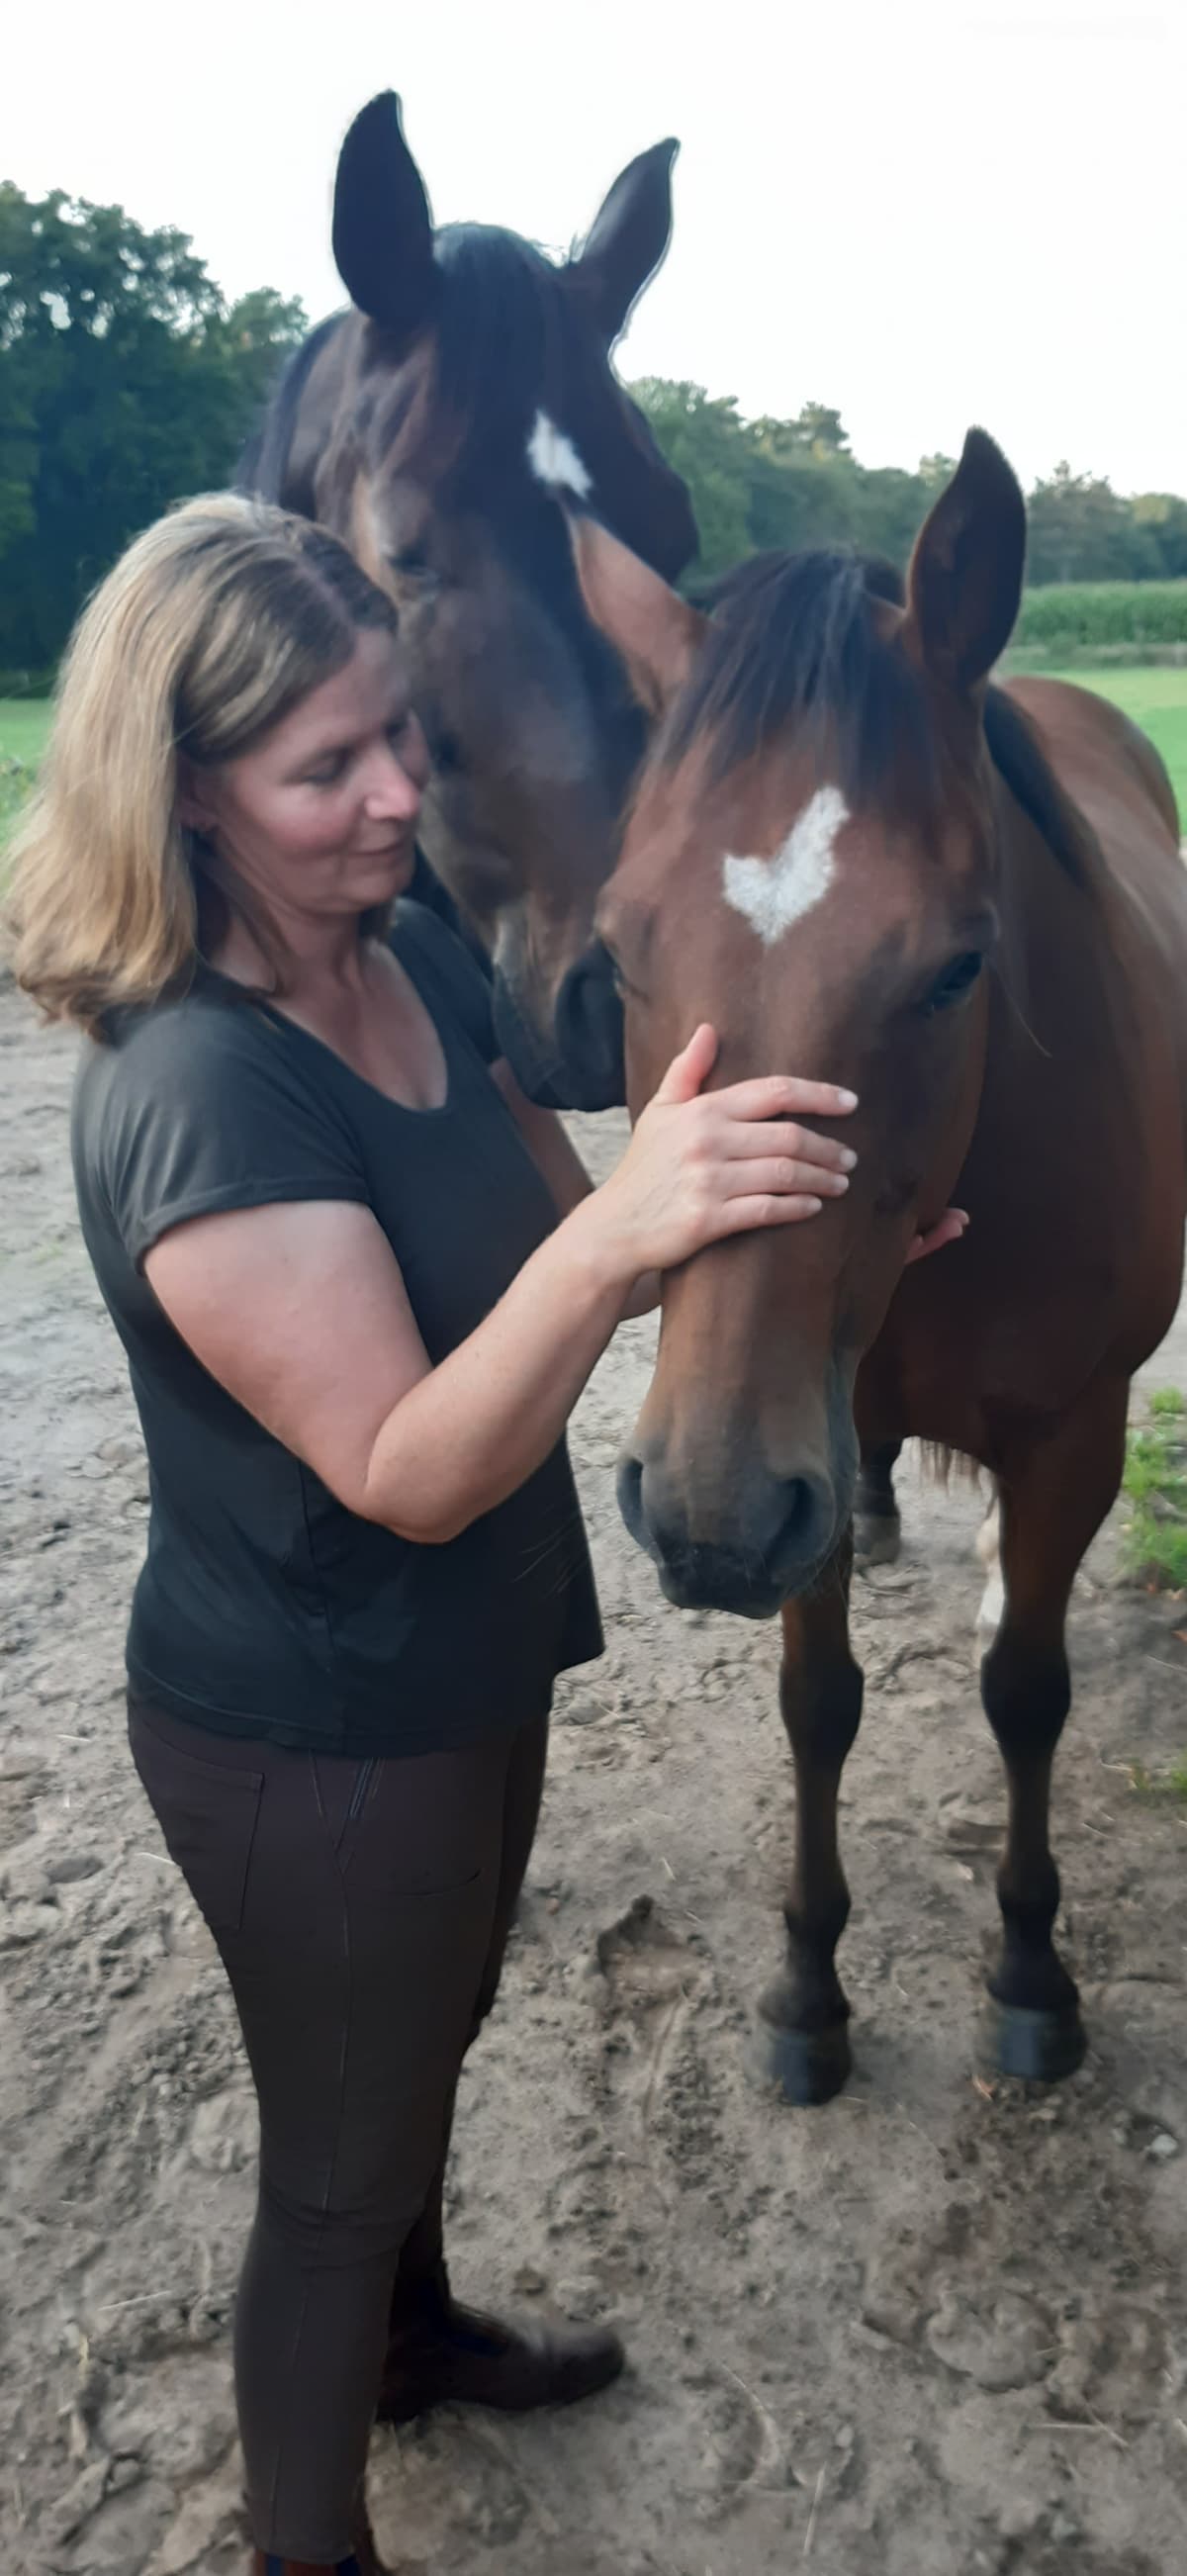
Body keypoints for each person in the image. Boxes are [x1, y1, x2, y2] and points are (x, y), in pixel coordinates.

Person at [4, 496, 963, 2576]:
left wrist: (824, 1220)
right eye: (323, 767)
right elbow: (413, 1462)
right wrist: (634, 1223)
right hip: (313, 1728)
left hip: (462, 1668)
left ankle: (421, 2343)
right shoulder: (197, 1091)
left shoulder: (406, 955)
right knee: (331, 2180)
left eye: (397, 741)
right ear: (180, 792)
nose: (393, 799)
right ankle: (310, 2539)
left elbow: (561, 1232)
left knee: (421, 2054)